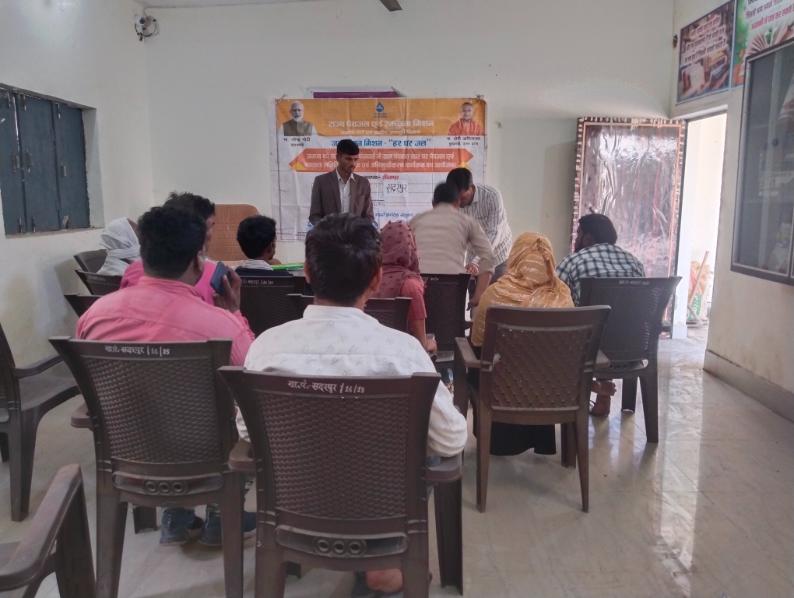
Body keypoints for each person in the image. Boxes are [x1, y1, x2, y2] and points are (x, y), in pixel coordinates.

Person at [243, 214, 467, 597]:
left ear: (308, 273)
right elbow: (451, 439)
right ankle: (384, 563)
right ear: (376, 279)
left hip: (296, 507)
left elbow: (246, 431)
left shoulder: (266, 347)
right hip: (381, 507)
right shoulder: (403, 353)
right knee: (425, 447)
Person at [77, 206, 256, 546]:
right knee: (246, 414)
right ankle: (221, 518)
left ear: (142, 254)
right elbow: (253, 376)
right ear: (198, 261)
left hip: (127, 449)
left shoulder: (95, 315)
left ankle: (176, 517)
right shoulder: (219, 325)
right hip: (205, 453)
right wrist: (234, 311)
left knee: (155, 405)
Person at [469, 233, 573, 456]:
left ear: (515, 257)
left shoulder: (495, 294)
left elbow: (477, 342)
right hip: (550, 392)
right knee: (542, 365)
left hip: (499, 392)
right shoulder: (562, 296)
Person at [556, 213, 645, 417]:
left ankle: (585, 395)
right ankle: (603, 397)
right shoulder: (635, 263)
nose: (575, 240)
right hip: (632, 351)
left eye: (578, 234)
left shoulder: (573, 262)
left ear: (588, 238)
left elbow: (553, 300)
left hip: (588, 353)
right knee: (613, 324)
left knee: (572, 327)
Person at [121, 192, 219, 305]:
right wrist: (231, 310)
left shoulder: (133, 269)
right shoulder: (214, 275)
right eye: (210, 226)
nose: (211, 233)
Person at [409, 182, 495, 307]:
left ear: (433, 203)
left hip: (420, 286)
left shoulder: (416, 220)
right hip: (452, 288)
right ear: (458, 203)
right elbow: (488, 256)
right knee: (451, 318)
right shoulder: (467, 222)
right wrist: (478, 296)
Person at [372, 221, 436, 352]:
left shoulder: (368, 280)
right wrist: (431, 343)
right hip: (403, 356)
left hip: (370, 351)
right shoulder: (410, 285)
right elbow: (421, 345)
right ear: (410, 247)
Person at [447, 167, 513, 283]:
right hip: (473, 257)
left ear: (471, 187)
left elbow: (493, 234)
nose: (459, 202)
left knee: (495, 292)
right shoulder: (454, 202)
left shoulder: (492, 196)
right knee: (473, 293)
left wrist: (475, 261)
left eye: (462, 198)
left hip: (497, 255)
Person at [309, 139, 373, 224]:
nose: (353, 164)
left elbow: (369, 217)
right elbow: (314, 216)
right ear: (338, 157)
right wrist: (327, 229)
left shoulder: (363, 183)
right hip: (329, 232)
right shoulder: (321, 182)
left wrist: (358, 229)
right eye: (348, 159)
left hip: (355, 232)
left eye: (356, 159)